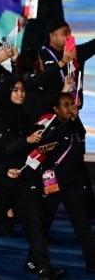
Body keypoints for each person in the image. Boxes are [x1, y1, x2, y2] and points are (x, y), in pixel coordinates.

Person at [0, 78, 66, 280]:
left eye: (23, 90)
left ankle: (43, 267)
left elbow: (29, 148)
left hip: (25, 180)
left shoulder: (26, 118)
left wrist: (41, 147)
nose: (20, 94)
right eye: (15, 90)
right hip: (1, 182)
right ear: (7, 92)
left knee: (35, 223)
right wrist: (22, 145)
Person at [40, 93, 95, 274]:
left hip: (74, 185)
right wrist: (71, 121)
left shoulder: (75, 125)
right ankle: (37, 262)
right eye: (66, 105)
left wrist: (75, 118)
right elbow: (51, 139)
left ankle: (92, 262)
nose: (70, 107)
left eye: (72, 104)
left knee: (82, 225)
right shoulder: (49, 126)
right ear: (55, 109)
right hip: (53, 184)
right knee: (42, 225)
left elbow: (81, 135)